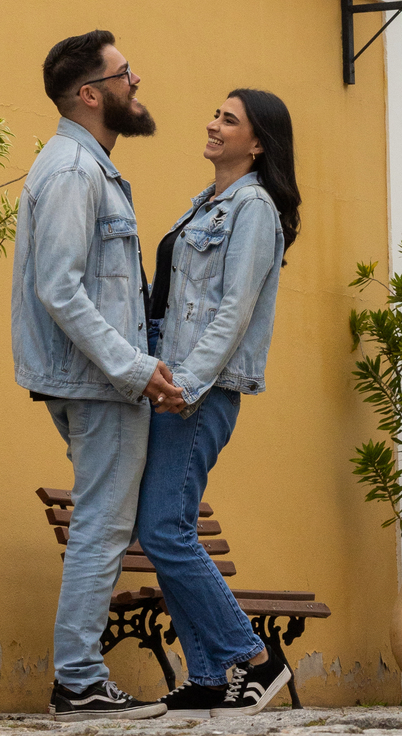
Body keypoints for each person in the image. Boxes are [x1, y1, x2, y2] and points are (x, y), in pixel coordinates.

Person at [13, 30, 182, 720]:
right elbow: (60, 288)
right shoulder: (74, 173)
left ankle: (81, 677)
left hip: (94, 377)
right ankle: (79, 679)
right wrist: (134, 368)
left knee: (104, 522)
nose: (135, 81)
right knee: (103, 526)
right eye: (123, 72)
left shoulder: (87, 166)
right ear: (90, 94)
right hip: (97, 381)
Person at [136, 90, 301, 717]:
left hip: (196, 391)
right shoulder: (202, 204)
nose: (212, 123)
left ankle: (255, 656)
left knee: (164, 528)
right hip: (168, 380)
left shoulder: (253, 208)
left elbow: (234, 311)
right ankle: (209, 673)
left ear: (257, 143)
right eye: (214, 113)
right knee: (163, 527)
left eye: (229, 119)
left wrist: (187, 383)